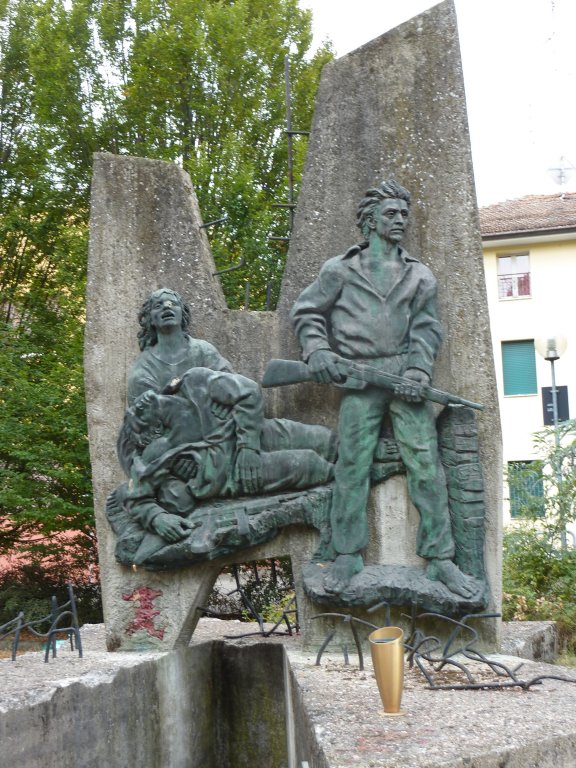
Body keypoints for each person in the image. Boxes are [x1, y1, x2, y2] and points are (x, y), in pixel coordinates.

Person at [290, 179, 480, 598]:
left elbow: (428, 330)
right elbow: (306, 312)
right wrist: (317, 351)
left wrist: (417, 372)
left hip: (404, 378)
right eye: (391, 214)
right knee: (352, 465)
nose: (400, 221)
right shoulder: (339, 270)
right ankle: (346, 555)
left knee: (426, 466)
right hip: (357, 378)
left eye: (403, 214)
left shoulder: (419, 275)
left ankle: (441, 559)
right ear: (370, 220)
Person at [120, 367, 335, 543]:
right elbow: (137, 497)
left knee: (325, 440)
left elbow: (248, 391)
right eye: (136, 415)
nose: (134, 406)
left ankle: (360, 459)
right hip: (238, 472)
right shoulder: (160, 449)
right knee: (307, 464)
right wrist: (158, 519)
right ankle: (354, 477)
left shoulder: (194, 381)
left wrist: (248, 448)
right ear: (154, 429)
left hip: (257, 433)